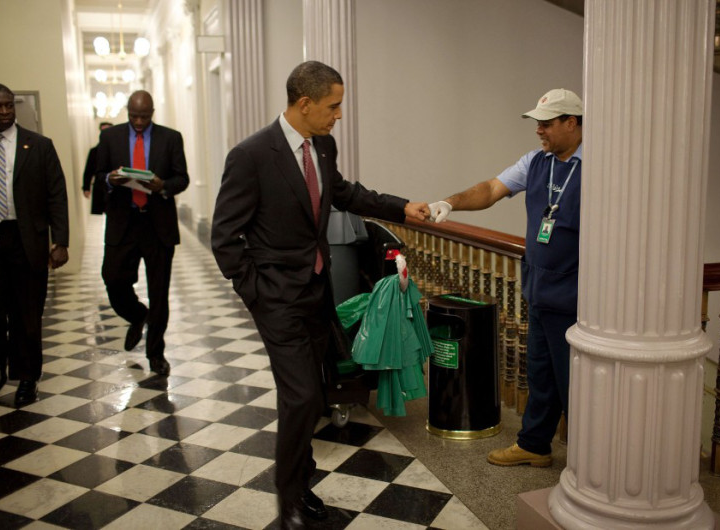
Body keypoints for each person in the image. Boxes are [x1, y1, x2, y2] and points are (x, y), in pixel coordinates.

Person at [211, 60, 431, 529]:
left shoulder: (323, 146)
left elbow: (345, 193)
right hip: (277, 299)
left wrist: (401, 207)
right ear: (305, 103)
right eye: (333, 106)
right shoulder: (251, 155)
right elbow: (224, 237)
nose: (338, 115)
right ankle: (287, 499)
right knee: (301, 396)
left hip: (316, 292)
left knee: (312, 396)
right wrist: (256, 293)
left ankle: (302, 481)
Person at [429, 88, 583, 468]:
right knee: (541, 374)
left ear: (572, 122)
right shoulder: (536, 162)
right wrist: (449, 202)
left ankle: (592, 468)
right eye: (537, 124)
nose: (539, 131)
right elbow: (492, 189)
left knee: (575, 385)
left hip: (577, 296)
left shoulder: (600, 166)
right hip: (540, 290)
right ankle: (534, 444)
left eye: (547, 124)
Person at [95, 90, 190, 376]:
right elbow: (98, 175)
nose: (138, 121)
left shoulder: (170, 138)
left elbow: (182, 178)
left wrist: (162, 185)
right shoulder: (110, 138)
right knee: (112, 279)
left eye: (144, 116)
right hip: (123, 222)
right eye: (134, 115)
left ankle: (156, 354)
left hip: (157, 224)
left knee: (159, 293)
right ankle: (137, 315)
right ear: (127, 110)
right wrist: (111, 179)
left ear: (152, 112)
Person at [0, 83, 70, 407]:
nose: (5, 111)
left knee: (27, 314)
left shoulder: (38, 146)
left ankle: (27, 378)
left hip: (27, 241)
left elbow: (57, 195)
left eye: (9, 105)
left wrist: (60, 241)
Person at [82, 121, 113, 215]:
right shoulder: (94, 151)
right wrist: (86, 187)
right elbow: (89, 170)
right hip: (100, 186)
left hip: (116, 187)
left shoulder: (119, 150)